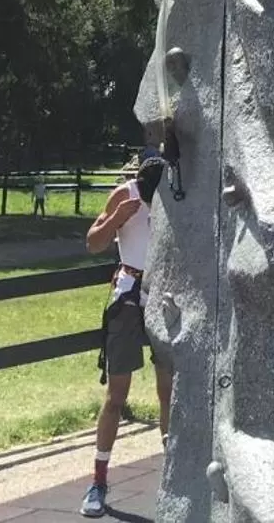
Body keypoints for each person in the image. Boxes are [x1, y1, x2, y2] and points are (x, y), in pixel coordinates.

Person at [80, 158, 172, 519]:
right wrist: (118, 216)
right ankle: (98, 480)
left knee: (169, 389)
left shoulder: (175, 194)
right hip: (130, 294)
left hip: (164, 294)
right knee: (117, 393)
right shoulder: (127, 195)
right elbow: (93, 243)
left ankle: (173, 471)